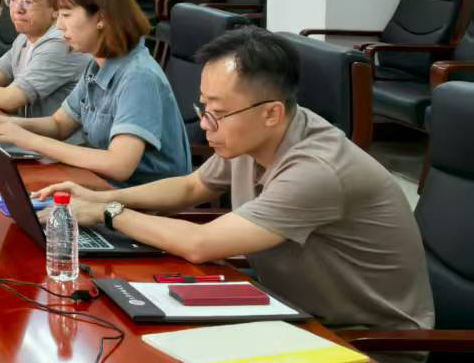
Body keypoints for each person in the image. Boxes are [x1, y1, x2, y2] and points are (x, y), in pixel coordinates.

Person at [33, 28, 433, 359]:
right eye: (203, 106)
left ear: (271, 112)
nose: (206, 124)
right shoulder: (256, 134)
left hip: (359, 343)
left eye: (218, 112)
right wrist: (95, 198)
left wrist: (110, 212)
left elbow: (201, 244)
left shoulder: (316, 169)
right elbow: (192, 186)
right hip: (291, 313)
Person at [0, 0, 191, 187]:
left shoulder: (138, 76)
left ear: (100, 17)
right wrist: (6, 122)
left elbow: (119, 165)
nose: (59, 25)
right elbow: (59, 124)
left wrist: (30, 140)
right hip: (99, 184)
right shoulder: (97, 64)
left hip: (136, 198)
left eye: (66, 15)